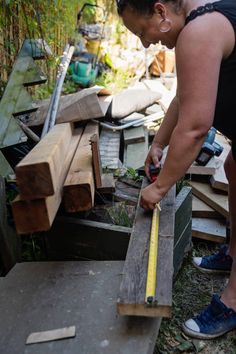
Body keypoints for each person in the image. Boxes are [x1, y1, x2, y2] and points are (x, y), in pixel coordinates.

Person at [116, 0, 236, 339]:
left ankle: (233, 301)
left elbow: (196, 127)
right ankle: (232, 254)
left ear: (159, 12)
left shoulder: (199, 31)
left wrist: (159, 188)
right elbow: (185, 98)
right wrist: (158, 143)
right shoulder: (200, 22)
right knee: (232, 166)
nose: (144, 42)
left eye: (142, 31)